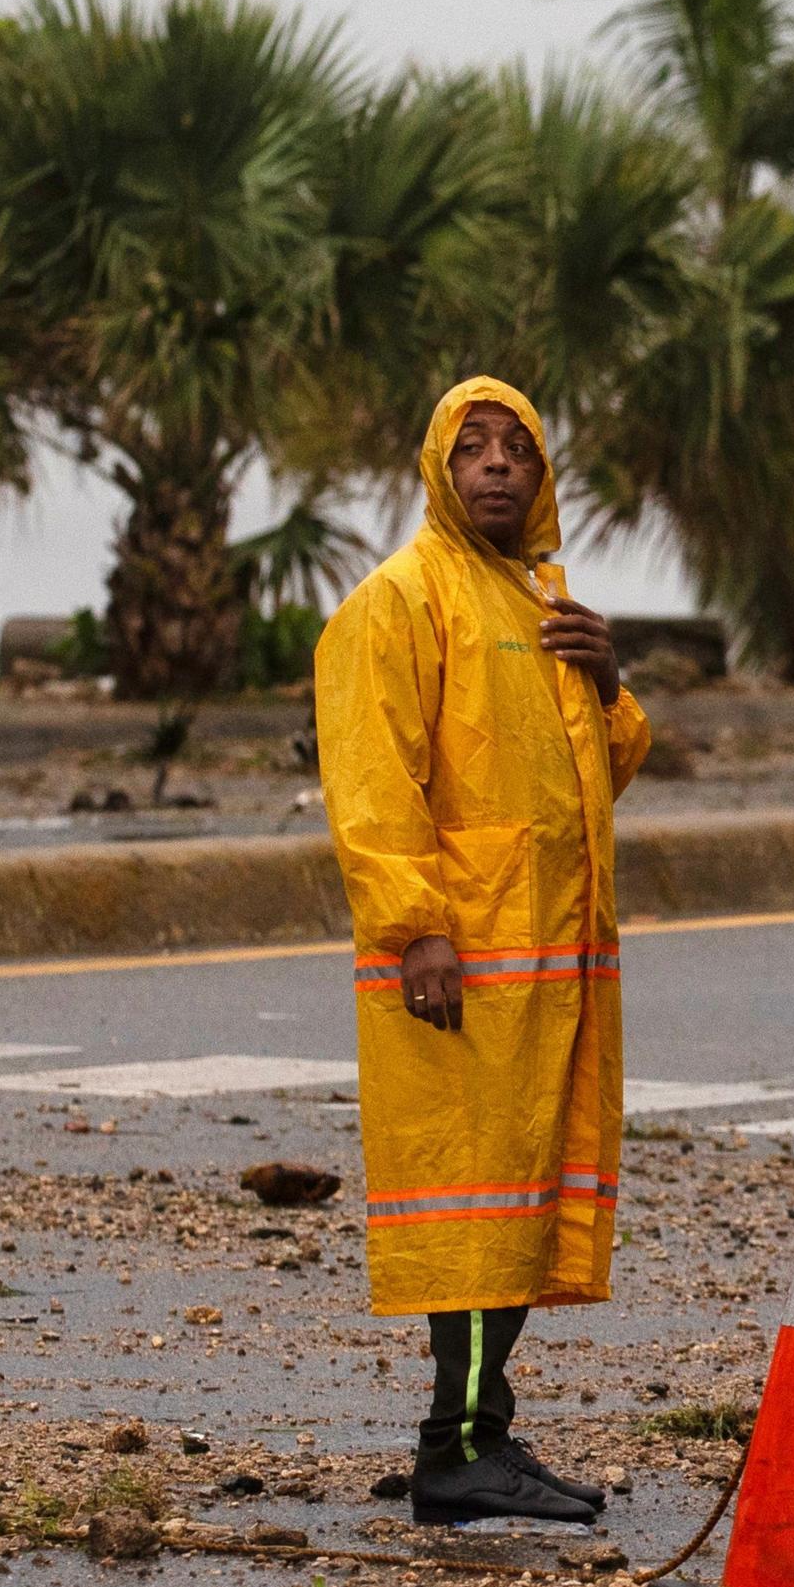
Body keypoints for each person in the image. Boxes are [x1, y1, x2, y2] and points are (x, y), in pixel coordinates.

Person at [316, 376, 648, 1525]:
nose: (498, 465)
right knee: (469, 1207)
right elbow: (371, 780)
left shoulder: (545, 601)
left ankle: (484, 1431)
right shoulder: (401, 600)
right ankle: (453, 1448)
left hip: (551, 963)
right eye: (475, 449)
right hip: (464, 964)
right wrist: (417, 933)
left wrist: (607, 679)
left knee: (517, 1202)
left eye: (518, 447)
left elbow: (595, 772)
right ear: (438, 470)